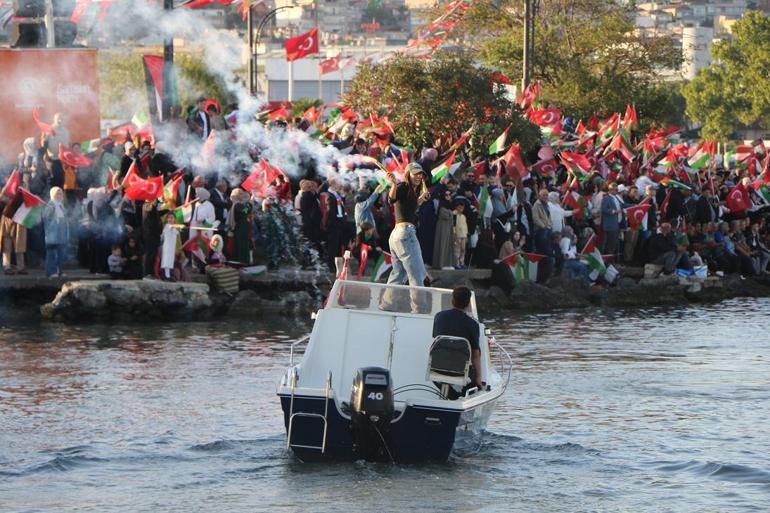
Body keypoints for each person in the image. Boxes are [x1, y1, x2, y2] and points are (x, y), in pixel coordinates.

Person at [432, 286, 484, 392]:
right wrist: (478, 377)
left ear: (452, 300)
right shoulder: (473, 324)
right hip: (460, 371)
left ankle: (449, 393)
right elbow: (475, 354)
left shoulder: (439, 317)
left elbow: (436, 340)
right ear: (468, 303)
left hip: (437, 368)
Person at [386, 162, 430, 287]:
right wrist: (394, 184)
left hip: (397, 235)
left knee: (399, 275)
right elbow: (391, 199)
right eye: (415, 174)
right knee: (418, 275)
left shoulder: (411, 191)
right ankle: (420, 306)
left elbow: (408, 208)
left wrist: (420, 199)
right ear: (408, 174)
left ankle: (385, 306)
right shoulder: (403, 186)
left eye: (420, 174)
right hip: (405, 233)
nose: (419, 176)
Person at [43, 187, 69, 278]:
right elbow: (46, 217)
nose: (59, 195)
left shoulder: (61, 205)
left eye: (61, 193)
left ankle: (60, 271)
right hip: (52, 232)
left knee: (61, 252)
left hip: (61, 232)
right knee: (52, 252)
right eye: (57, 194)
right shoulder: (50, 205)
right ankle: (51, 271)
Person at [452, 201, 468, 269]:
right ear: (456, 207)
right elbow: (453, 225)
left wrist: (466, 235)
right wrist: (454, 233)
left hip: (463, 235)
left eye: (462, 207)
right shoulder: (454, 214)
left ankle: (462, 262)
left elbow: (465, 226)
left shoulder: (463, 216)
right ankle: (457, 263)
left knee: (463, 249)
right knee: (457, 249)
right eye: (460, 207)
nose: (461, 209)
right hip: (457, 235)